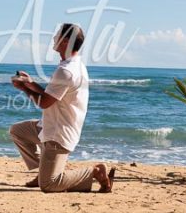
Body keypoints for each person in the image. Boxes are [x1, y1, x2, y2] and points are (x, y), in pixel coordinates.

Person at [9, 23, 114, 193]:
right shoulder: (75, 64)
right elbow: (52, 95)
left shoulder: (66, 71)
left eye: (57, 35)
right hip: (50, 126)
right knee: (17, 131)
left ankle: (94, 171)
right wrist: (31, 83)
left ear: (65, 41)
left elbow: (44, 103)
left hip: (58, 134)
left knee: (49, 185)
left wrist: (24, 89)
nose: (53, 37)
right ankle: (44, 168)